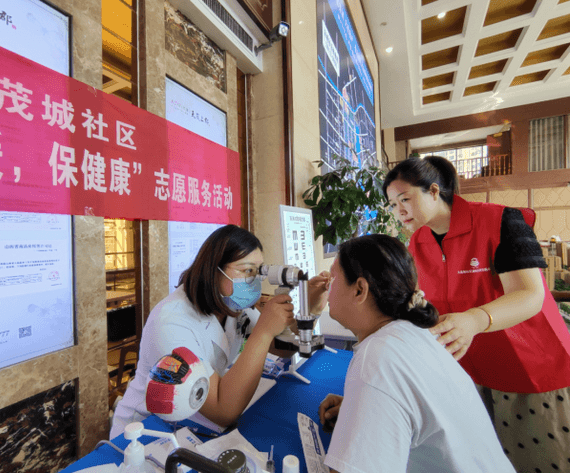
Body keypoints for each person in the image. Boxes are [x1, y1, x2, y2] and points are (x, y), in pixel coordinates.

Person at [383, 156, 570, 472]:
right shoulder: (417, 242)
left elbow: (530, 295)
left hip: (531, 368)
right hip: (469, 374)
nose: (399, 210)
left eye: (405, 199)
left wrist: (474, 319)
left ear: (433, 191)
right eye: (392, 204)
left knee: (538, 460)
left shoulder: (500, 221)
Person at [317, 234, 515, 472]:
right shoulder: (414, 334)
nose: (327, 285)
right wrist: (363, 409)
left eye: (333, 277)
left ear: (360, 290)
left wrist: (368, 398)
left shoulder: (378, 358)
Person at [110, 224, 329, 438]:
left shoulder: (231, 304)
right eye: (247, 271)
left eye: (258, 271)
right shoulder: (171, 322)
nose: (254, 281)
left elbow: (279, 345)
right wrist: (263, 331)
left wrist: (310, 309)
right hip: (146, 430)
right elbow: (223, 411)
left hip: (192, 419)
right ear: (214, 270)